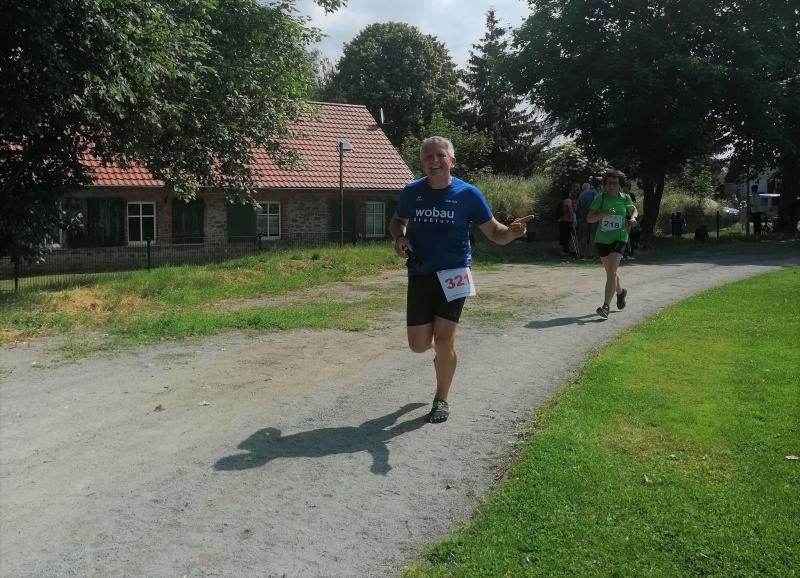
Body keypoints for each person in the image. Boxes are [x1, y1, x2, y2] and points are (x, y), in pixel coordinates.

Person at [389, 136, 533, 424]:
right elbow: (397, 221)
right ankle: (445, 354)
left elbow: (495, 232)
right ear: (422, 163)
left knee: (444, 338)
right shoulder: (412, 191)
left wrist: (513, 233)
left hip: (454, 274)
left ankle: (441, 398)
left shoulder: (468, 194)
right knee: (418, 344)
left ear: (452, 161)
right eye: (428, 156)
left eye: (440, 155)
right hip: (420, 273)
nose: (434, 160)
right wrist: (399, 238)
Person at [586, 169, 638, 319]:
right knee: (611, 272)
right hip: (602, 239)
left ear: (620, 184)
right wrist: (604, 213)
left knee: (612, 271)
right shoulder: (600, 198)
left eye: (615, 183)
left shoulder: (625, 198)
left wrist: (633, 218)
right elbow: (589, 219)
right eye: (609, 183)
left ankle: (605, 307)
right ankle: (621, 293)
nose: (611, 186)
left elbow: (634, 210)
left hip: (619, 238)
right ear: (605, 185)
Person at [576, 181, 598, 254]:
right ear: (589, 187)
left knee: (585, 234)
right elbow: (598, 202)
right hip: (593, 216)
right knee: (592, 234)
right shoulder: (594, 192)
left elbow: (577, 205)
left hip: (584, 217)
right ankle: (591, 253)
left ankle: (582, 253)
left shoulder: (581, 194)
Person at [557, 186, 578, 258]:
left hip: (562, 221)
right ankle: (567, 252)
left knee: (563, 237)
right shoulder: (568, 200)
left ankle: (562, 253)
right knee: (568, 237)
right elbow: (572, 211)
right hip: (566, 221)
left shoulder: (562, 201)